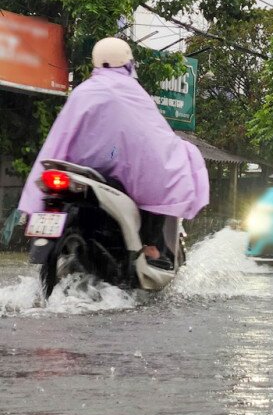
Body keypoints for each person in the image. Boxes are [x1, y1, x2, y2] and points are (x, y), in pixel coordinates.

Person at [17, 37, 209, 268]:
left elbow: (61, 136)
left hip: (80, 172)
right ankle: (150, 247)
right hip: (117, 178)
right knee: (164, 177)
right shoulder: (133, 92)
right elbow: (155, 140)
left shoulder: (82, 91)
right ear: (127, 63)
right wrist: (181, 150)